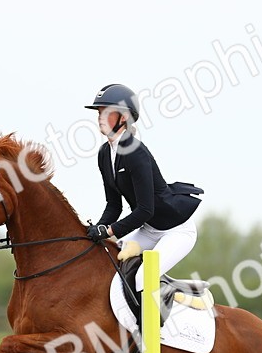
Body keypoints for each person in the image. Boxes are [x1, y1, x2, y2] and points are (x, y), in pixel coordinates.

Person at [84, 83, 204, 292]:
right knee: (107, 260)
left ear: (123, 118)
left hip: (175, 230)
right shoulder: (105, 153)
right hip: (149, 230)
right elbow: (114, 205)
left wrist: (110, 230)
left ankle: (152, 323)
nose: (100, 118)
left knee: (141, 279)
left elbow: (145, 209)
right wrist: (97, 231)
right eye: (99, 112)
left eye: (106, 112)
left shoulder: (136, 152)